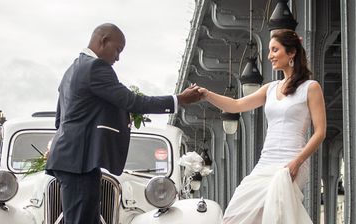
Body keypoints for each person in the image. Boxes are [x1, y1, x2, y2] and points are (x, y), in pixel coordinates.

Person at [45, 23, 202, 224]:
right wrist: (178, 99)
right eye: (117, 49)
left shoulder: (71, 70)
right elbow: (132, 102)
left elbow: (60, 120)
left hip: (73, 159)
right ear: (103, 41)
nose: (117, 57)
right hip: (79, 162)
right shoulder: (95, 67)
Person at [198, 29, 326, 224]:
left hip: (291, 161)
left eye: (275, 50)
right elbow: (237, 105)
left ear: (291, 53)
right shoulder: (270, 88)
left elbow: (320, 132)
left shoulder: (311, 87)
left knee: (275, 216)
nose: (269, 56)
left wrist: (297, 162)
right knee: (234, 215)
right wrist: (206, 94)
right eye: (269, 50)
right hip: (266, 161)